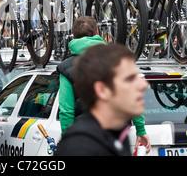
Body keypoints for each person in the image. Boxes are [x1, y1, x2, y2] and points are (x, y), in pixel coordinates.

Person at [57, 16, 150, 153]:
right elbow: (128, 96)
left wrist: (68, 136)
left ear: (74, 36)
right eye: (130, 78)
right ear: (97, 33)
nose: (143, 85)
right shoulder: (114, 59)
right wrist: (140, 128)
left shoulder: (66, 67)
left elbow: (66, 110)